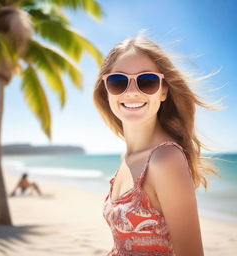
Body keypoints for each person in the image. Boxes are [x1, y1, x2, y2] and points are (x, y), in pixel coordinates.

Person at [93, 36, 220, 256]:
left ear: (163, 91)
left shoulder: (165, 159)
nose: (131, 91)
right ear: (106, 89)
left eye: (147, 81)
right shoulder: (129, 158)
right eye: (118, 82)